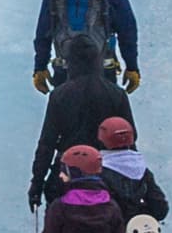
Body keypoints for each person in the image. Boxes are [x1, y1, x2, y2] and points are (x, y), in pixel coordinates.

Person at [26, 36, 134, 208]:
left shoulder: (59, 95)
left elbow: (47, 144)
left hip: (68, 173)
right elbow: (130, 138)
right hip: (107, 175)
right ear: (98, 61)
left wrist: (37, 183)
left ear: (70, 63)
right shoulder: (116, 94)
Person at [93, 114, 169, 223]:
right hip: (136, 228)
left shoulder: (97, 172)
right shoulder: (142, 170)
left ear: (101, 139)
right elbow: (160, 209)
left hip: (110, 229)